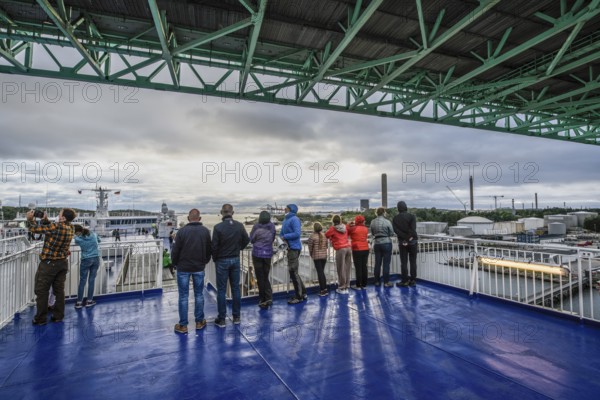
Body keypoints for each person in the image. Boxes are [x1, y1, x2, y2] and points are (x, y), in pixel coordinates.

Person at [27, 208, 76, 325]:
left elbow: (35, 229)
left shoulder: (56, 227)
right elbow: (52, 229)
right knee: (59, 291)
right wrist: (46, 220)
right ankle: (58, 316)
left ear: (63, 218)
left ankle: (40, 319)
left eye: (59, 214)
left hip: (49, 264)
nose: (58, 215)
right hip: (62, 263)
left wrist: (29, 219)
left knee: (41, 290)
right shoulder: (71, 227)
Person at [171, 208, 212, 334]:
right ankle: (199, 322)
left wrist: (175, 264)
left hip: (183, 268)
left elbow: (175, 251)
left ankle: (183, 325)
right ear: (199, 219)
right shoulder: (205, 231)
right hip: (199, 268)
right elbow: (209, 250)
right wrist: (203, 262)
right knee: (199, 295)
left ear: (188, 219)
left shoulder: (182, 232)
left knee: (183, 296)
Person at [212, 204, 249, 327]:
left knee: (221, 290)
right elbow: (246, 240)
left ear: (221, 212)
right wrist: (238, 249)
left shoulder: (217, 228)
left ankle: (222, 319)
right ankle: (236, 317)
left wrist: (215, 258)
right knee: (235, 289)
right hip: (235, 259)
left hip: (222, 261)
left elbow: (214, 247)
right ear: (232, 212)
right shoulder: (239, 226)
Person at [280, 204, 307, 304]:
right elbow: (281, 233)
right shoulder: (285, 219)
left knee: (293, 271)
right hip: (289, 248)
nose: (284, 209)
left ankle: (299, 297)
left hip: (294, 248)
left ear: (291, 209)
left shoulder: (295, 219)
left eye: (286, 208)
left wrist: (285, 236)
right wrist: (281, 237)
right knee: (294, 271)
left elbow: (297, 233)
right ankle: (303, 293)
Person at [249, 211, 276, 309]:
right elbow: (272, 238)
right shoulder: (272, 226)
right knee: (265, 275)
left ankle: (263, 299)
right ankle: (269, 297)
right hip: (268, 254)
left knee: (260, 277)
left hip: (257, 254)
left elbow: (251, 239)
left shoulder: (256, 226)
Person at [73, 224, 101, 308]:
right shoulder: (93, 234)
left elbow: (76, 240)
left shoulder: (78, 239)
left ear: (77, 232)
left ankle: (79, 302)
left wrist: (76, 236)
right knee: (91, 280)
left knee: (82, 281)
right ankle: (89, 301)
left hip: (86, 259)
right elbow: (99, 240)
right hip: (96, 258)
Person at [393, 201, 419, 287]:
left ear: (398, 208)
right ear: (406, 207)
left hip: (403, 243)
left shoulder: (395, 218)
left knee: (403, 262)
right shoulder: (412, 217)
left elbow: (396, 231)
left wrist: (404, 239)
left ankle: (404, 281)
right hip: (413, 241)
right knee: (413, 261)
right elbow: (413, 229)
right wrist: (409, 238)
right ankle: (413, 280)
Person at [325, 215, 352, 294]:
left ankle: (342, 287)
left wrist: (332, 238)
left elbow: (326, 235)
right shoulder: (345, 227)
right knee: (347, 268)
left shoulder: (333, 228)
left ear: (333, 221)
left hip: (341, 249)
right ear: (340, 220)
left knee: (341, 268)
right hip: (348, 248)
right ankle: (347, 285)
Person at [370, 207, 395, 287]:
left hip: (377, 243)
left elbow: (372, 233)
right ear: (384, 213)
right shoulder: (387, 222)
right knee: (386, 264)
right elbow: (391, 233)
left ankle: (377, 281)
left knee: (377, 263)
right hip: (386, 243)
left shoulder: (372, 222)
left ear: (376, 213)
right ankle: (386, 282)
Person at [307, 222, 328, 296]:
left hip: (317, 257)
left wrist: (311, 254)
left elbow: (310, 247)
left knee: (320, 273)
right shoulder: (324, 235)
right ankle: (325, 289)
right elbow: (327, 246)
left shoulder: (312, 236)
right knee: (322, 272)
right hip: (324, 256)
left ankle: (323, 290)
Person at [348, 215, 369, 289]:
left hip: (357, 249)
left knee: (358, 267)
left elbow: (346, 231)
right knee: (364, 266)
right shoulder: (366, 229)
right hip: (365, 248)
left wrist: (349, 224)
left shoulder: (353, 228)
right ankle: (364, 284)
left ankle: (358, 284)